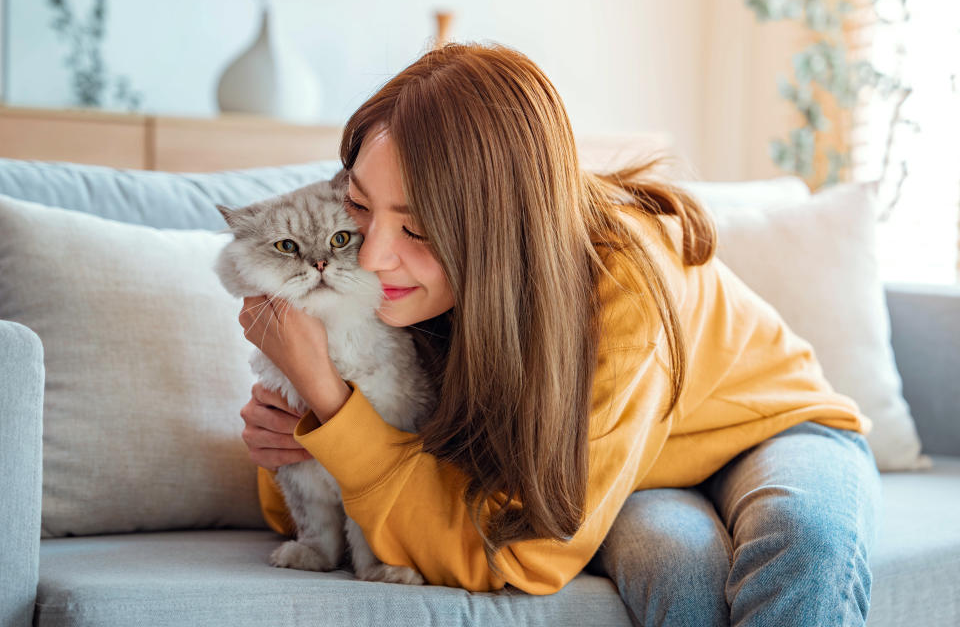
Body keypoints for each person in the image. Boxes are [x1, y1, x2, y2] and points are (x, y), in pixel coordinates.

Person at [235, 42, 882, 626]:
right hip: (636, 469)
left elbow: (528, 556)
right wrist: (298, 427)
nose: (373, 256)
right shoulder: (391, 282)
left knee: (806, 538)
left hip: (774, 429)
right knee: (681, 568)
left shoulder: (626, 282)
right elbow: (355, 510)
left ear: (498, 227)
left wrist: (333, 403)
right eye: (361, 206)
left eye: (417, 225)